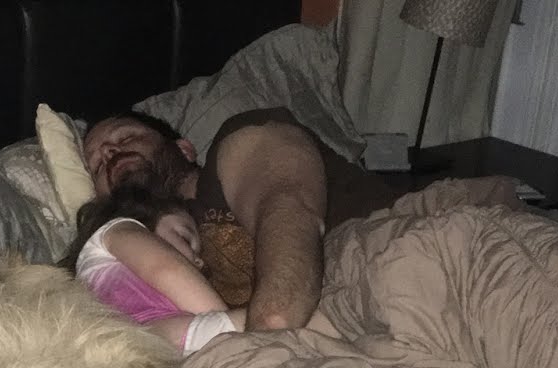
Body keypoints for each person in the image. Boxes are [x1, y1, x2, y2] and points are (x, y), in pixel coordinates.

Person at [80, 108, 404, 331]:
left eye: (125, 139)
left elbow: (288, 212)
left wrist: (266, 332)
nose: (109, 154)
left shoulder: (239, 141)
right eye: (96, 166)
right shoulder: (132, 250)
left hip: (392, 254)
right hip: (340, 332)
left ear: (184, 149)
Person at [62, 182, 245, 354]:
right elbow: (168, 270)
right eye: (185, 239)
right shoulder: (113, 232)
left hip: (164, 348)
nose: (200, 262)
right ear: (143, 219)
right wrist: (225, 321)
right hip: (152, 339)